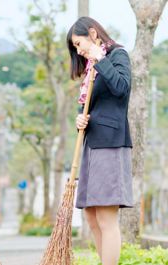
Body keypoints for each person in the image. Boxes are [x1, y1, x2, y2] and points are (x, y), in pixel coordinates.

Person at [67, 17, 133, 265]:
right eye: (74, 47)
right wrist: (81, 119)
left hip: (110, 144)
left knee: (106, 217)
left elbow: (122, 88)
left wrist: (100, 59)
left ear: (93, 34)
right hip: (92, 145)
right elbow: (92, 105)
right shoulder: (90, 68)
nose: (78, 50)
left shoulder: (117, 55)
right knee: (92, 218)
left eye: (78, 43)